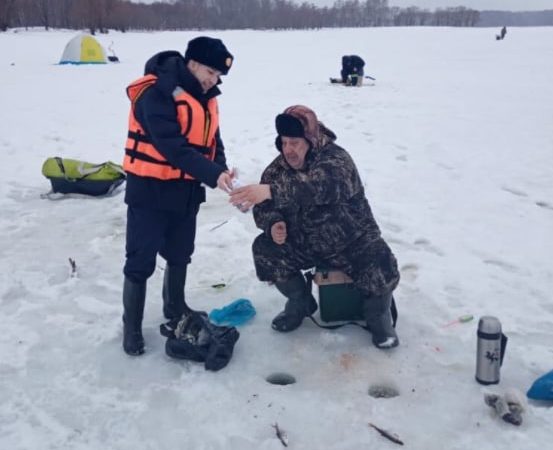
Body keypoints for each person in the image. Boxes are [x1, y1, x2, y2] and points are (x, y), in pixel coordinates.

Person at [229, 105, 400, 349]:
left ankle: (379, 318)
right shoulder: (276, 169)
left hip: (352, 240)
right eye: (284, 142)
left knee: (380, 260)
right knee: (265, 248)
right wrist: (273, 223)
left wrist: (270, 191)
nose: (289, 150)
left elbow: (321, 187)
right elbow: (264, 207)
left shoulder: (336, 158)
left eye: (295, 143)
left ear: (310, 139)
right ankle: (300, 303)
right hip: (306, 242)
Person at [121, 36, 235, 356]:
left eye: (218, 77)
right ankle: (131, 327)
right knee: (140, 262)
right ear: (193, 63)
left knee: (180, 253)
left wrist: (221, 168)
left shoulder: (205, 96)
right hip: (150, 191)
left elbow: (213, 140)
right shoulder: (154, 93)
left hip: (185, 192)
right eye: (211, 72)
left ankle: (175, 306)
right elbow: (172, 147)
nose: (215, 80)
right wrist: (213, 174)